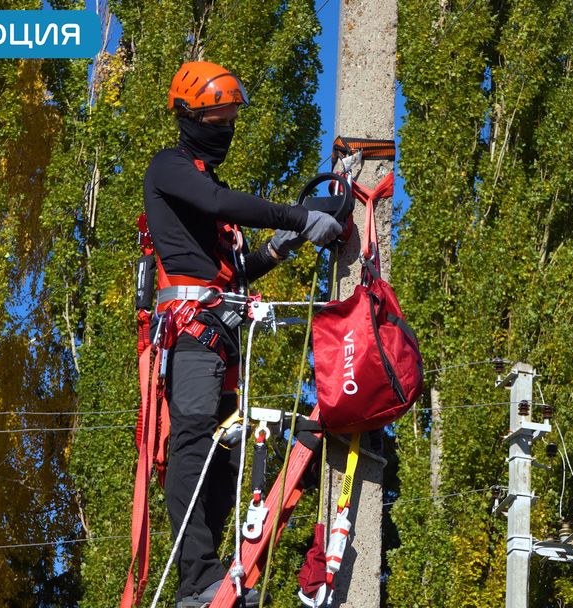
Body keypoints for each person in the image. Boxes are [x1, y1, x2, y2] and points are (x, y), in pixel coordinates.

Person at [144, 61, 342, 608]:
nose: (227, 126)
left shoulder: (207, 188)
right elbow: (216, 203)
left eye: (232, 116)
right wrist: (296, 216)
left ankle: (211, 577)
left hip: (219, 331)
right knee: (190, 446)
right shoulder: (170, 169)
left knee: (224, 456)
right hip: (190, 334)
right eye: (218, 116)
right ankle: (197, 576)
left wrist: (282, 247)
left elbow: (233, 270)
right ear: (189, 117)